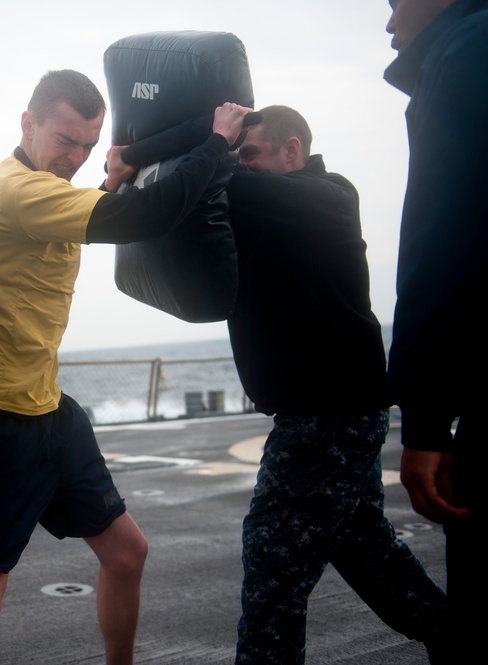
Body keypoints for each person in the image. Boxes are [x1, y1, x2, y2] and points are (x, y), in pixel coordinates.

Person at [0, 69, 251, 665]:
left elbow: (101, 208)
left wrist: (114, 177)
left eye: (88, 146)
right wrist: (218, 141)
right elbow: (146, 218)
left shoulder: (49, 189)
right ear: (28, 122)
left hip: (50, 410)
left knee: (127, 554)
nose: (75, 156)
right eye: (65, 139)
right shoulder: (15, 190)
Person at [225, 105, 448, 664]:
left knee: (272, 571)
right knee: (370, 554)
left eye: (250, 155)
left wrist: (201, 150)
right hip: (333, 417)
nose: (243, 168)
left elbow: (223, 185)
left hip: (327, 418)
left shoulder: (327, 195)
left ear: (292, 149)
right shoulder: (266, 209)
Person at [384, 0, 488, 659]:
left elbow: (441, 237)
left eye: (394, 2)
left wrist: (424, 423)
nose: (387, 19)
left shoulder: (458, 58)